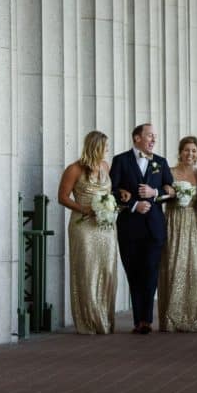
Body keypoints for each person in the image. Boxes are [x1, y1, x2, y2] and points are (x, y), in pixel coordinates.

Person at [110, 124, 174, 334]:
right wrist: (133, 205)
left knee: (151, 271)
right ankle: (139, 319)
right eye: (149, 136)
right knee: (133, 272)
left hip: (154, 226)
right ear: (137, 138)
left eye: (155, 136)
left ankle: (145, 320)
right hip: (129, 226)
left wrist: (154, 192)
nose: (153, 140)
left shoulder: (161, 162)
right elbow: (112, 190)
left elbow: (170, 190)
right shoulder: (121, 160)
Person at [57, 131, 118, 334]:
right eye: (105, 146)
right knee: (87, 271)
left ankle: (104, 318)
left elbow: (108, 194)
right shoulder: (74, 169)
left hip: (105, 226)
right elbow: (62, 197)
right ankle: (88, 321)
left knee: (107, 270)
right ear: (96, 146)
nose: (107, 150)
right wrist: (85, 209)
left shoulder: (105, 166)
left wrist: (110, 206)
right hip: (83, 225)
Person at [158, 136, 197, 332]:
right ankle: (171, 318)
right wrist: (167, 191)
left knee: (193, 266)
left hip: (194, 221)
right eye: (187, 150)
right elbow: (160, 196)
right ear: (180, 152)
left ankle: (193, 317)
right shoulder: (168, 172)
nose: (190, 154)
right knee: (172, 265)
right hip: (173, 221)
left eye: (194, 151)